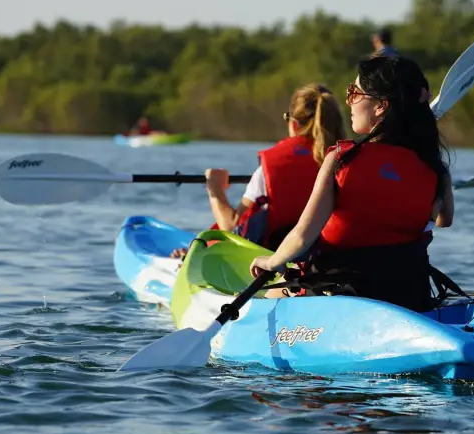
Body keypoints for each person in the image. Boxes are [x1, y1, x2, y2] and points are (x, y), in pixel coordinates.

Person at [249, 55, 456, 312]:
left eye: (354, 93)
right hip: (407, 292)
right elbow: (443, 219)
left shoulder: (342, 158)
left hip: (343, 289)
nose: (349, 102)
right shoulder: (434, 167)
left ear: (380, 106)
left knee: (272, 295)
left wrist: (274, 261)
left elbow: (303, 234)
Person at [170, 83, 345, 257]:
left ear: (294, 124)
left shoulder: (271, 168)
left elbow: (232, 229)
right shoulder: (349, 160)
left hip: (277, 261)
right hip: (334, 256)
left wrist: (215, 189)